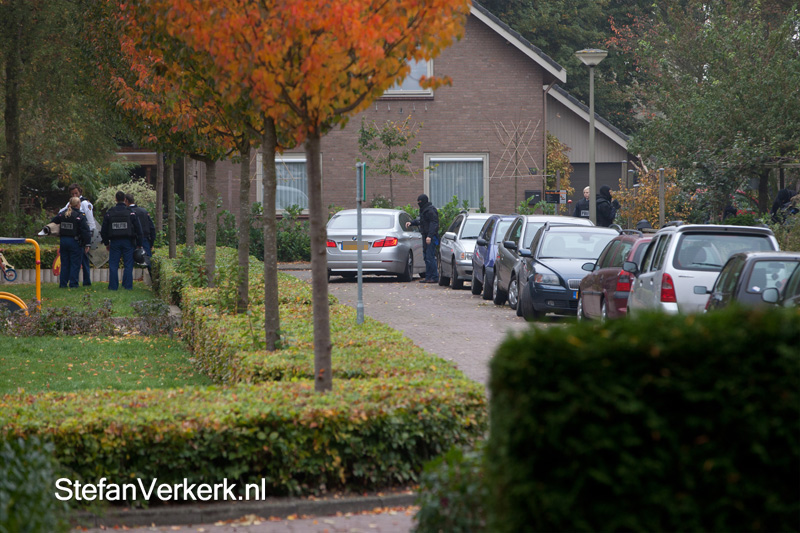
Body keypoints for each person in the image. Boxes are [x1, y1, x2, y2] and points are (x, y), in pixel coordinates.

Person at [100, 191, 143, 290]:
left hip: (114, 242)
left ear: (115, 199)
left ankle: (113, 286)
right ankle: (127, 286)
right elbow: (139, 229)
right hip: (128, 242)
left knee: (113, 265)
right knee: (128, 264)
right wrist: (139, 244)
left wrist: (106, 243)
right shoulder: (131, 212)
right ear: (125, 199)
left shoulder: (110, 212)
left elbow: (104, 230)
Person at [50, 197, 91, 288]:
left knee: (65, 263)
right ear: (78, 205)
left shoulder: (62, 214)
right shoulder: (80, 216)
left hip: (63, 241)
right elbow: (85, 231)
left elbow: (53, 221)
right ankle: (73, 284)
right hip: (75, 242)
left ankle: (63, 284)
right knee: (75, 264)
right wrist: (87, 244)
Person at [62, 183, 97, 286]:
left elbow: (90, 220)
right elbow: (61, 212)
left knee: (84, 259)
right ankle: (84, 281)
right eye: (72, 194)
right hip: (74, 234)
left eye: (76, 193)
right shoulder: (70, 203)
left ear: (80, 192)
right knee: (80, 260)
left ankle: (86, 281)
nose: (74, 195)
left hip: (82, 235)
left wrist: (89, 238)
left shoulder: (85, 203)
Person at [405, 194, 439, 283]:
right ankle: (428, 277)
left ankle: (434, 277)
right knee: (426, 257)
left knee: (430, 256)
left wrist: (430, 236)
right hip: (425, 235)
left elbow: (434, 223)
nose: (419, 203)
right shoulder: (424, 210)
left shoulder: (430, 210)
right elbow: (421, 221)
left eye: (420, 201)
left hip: (430, 236)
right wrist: (411, 223)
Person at [124, 193, 156, 265]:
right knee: (147, 260)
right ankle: (149, 271)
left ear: (126, 200)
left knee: (129, 262)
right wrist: (151, 243)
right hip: (145, 238)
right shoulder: (144, 211)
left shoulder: (126, 212)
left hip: (130, 240)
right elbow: (151, 227)